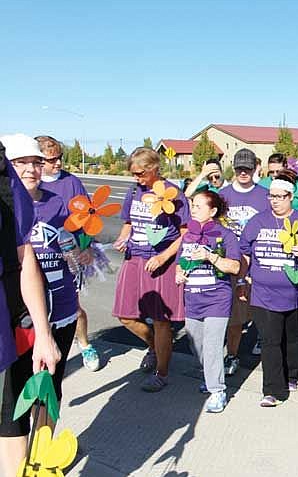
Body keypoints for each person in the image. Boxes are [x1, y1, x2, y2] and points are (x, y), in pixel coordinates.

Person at [0, 134, 61, 477]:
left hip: (28, 317)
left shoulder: (19, 196)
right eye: (23, 162)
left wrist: (43, 332)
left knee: (21, 406)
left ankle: (33, 469)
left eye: (37, 162)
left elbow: (27, 262)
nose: (32, 168)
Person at [112, 147, 189, 392]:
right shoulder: (134, 191)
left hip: (161, 263)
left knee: (161, 321)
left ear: (153, 169)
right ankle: (155, 348)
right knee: (125, 315)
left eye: (140, 174)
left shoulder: (173, 193)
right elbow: (128, 223)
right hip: (134, 259)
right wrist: (122, 238)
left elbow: (186, 234)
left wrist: (165, 256)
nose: (137, 178)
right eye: (134, 174)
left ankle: (162, 373)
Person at [240, 171, 298, 407]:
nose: (275, 200)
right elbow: (245, 252)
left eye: (280, 196)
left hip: (297, 293)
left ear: (291, 197)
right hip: (263, 293)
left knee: (290, 339)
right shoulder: (258, 221)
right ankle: (272, 390)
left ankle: (291, 375)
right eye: (271, 196)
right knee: (270, 340)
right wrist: (243, 278)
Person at [35, 135, 100, 372]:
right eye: (52, 160)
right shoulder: (31, 182)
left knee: (73, 305)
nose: (59, 163)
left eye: (60, 157)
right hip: (38, 257)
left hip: (68, 254)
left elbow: (88, 217)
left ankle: (84, 344)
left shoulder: (71, 182)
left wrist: (86, 246)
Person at [175, 190, 240, 413]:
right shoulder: (188, 235)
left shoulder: (226, 235)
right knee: (196, 343)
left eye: (198, 206)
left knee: (212, 346)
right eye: (192, 205)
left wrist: (210, 256)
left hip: (217, 298)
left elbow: (235, 267)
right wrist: (179, 274)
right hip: (193, 299)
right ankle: (211, 374)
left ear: (212, 211)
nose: (193, 209)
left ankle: (217, 390)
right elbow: (180, 262)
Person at [217, 149, 270, 376]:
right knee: (228, 314)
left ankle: (241, 351)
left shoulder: (264, 195)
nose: (243, 172)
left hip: (255, 262)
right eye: (239, 168)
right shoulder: (223, 194)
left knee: (252, 310)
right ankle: (229, 354)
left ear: (255, 168)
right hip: (226, 260)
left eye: (247, 168)